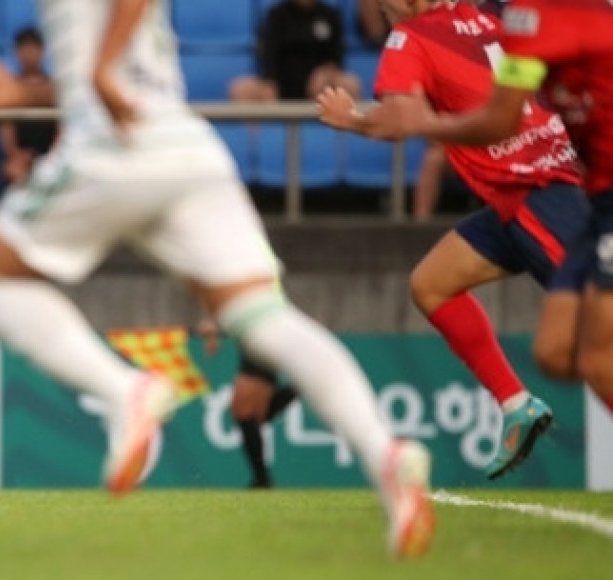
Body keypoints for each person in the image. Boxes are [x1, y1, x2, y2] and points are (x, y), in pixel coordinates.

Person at [0, 0, 434, 558]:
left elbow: (109, 58)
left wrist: (99, 72)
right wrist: (31, 94)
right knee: (262, 316)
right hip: (185, 147)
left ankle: (126, 392)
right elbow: (105, 61)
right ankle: (385, 455)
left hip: (112, 147)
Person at [317, 0, 590, 479]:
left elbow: (400, 121)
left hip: (539, 196)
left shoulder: (412, 38)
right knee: (431, 283)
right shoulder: (487, 17)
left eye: (385, 7)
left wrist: (350, 119)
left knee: (598, 332)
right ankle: (515, 404)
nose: (384, 16)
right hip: (522, 193)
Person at [366, 0, 613, 414]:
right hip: (582, 191)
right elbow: (501, 120)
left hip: (565, 187)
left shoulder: (590, 16)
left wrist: (421, 123)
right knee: (557, 351)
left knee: (595, 345)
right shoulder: (520, 21)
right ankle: (517, 406)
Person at [196, 319, 296, 489]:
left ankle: (262, 478)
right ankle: (262, 478)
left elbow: (246, 309)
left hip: (262, 335)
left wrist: (217, 328)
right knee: (251, 416)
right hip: (260, 336)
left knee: (244, 413)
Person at [230, 0, 362, 102]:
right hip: (279, 87)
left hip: (320, 88)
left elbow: (336, 58)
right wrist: (270, 82)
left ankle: (339, 137)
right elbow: (268, 55)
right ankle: (258, 137)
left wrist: (326, 73)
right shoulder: (276, 15)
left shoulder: (330, 16)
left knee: (350, 83)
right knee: (241, 88)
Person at [0, 27, 57, 186]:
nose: (29, 54)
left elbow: (63, 124)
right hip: (22, 153)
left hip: (53, 150)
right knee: (15, 170)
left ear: (42, 51)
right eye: (24, 49)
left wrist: (54, 153)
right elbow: (6, 126)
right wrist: (14, 153)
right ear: (16, 52)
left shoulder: (55, 86)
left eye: (33, 48)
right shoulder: (8, 88)